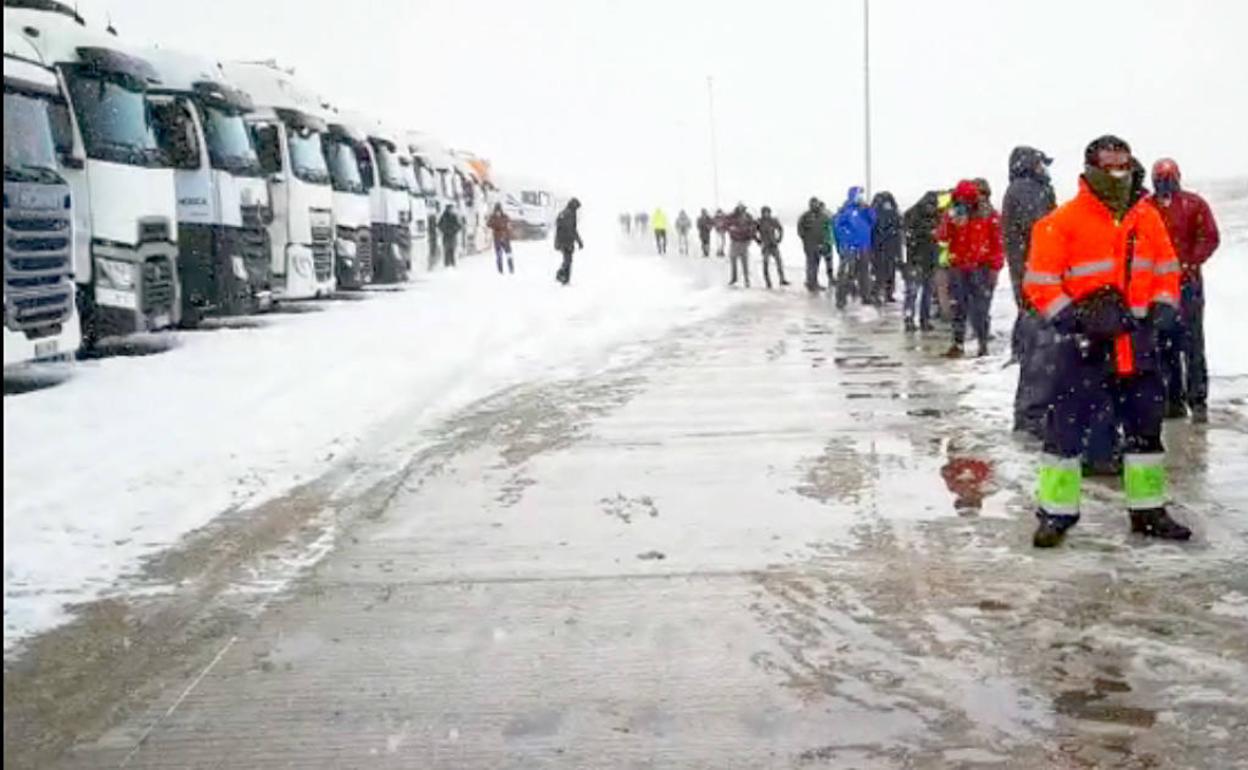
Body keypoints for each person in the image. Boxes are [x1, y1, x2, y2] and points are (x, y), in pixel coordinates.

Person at [1023, 134, 1190, 548]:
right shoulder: (1062, 222)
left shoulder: (1147, 217)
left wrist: (1165, 304)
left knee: (1145, 431)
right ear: (1091, 166)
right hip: (1085, 346)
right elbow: (1039, 282)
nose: (1118, 169)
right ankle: (1056, 514)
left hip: (1138, 343)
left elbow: (1167, 269)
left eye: (1123, 161)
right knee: (1065, 431)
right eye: (1109, 161)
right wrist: (1072, 318)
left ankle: (1148, 510)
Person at [1151, 158, 1221, 424]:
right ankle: (1173, 400)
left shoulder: (1194, 204)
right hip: (1158, 288)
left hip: (1188, 284)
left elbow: (1210, 237)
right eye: (1160, 175)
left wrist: (1191, 262)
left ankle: (1198, 400)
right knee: (1165, 343)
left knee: (1192, 343)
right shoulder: (1148, 208)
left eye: (1169, 175)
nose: (1165, 180)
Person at [937, 180, 1003, 358]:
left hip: (980, 267)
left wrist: (995, 267)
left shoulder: (989, 214)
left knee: (979, 309)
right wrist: (949, 220)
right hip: (960, 267)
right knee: (959, 307)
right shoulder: (955, 213)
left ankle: (981, 344)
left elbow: (997, 242)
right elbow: (942, 236)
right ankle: (959, 343)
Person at [902, 192, 941, 332]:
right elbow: (908, 235)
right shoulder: (913, 215)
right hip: (917, 259)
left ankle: (923, 319)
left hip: (928, 259)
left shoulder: (936, 215)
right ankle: (910, 319)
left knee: (926, 292)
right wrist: (926, 233)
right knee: (913, 292)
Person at [832, 186, 876, 309]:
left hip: (864, 246)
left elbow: (873, 221)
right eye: (859, 194)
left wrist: (868, 209)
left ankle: (866, 296)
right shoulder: (846, 210)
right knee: (845, 273)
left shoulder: (864, 210)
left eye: (862, 195)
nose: (861, 197)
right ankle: (841, 299)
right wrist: (847, 241)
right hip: (850, 247)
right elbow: (838, 227)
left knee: (864, 272)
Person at [870, 191, 903, 303]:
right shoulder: (891, 211)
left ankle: (884, 293)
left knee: (886, 271)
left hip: (885, 246)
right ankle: (881, 293)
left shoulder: (878, 211)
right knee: (883, 271)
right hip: (883, 246)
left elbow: (898, 229)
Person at [797, 197, 831, 292]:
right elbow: (800, 229)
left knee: (816, 264)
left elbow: (828, 229)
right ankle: (810, 283)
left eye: (815, 203)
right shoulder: (805, 216)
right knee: (810, 264)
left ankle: (814, 282)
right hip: (809, 245)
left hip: (820, 244)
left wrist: (826, 242)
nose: (814, 205)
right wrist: (805, 238)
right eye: (812, 203)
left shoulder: (824, 216)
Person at [933, 190, 955, 321]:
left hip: (942, 258)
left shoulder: (940, 216)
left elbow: (940, 236)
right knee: (948, 289)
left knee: (942, 289)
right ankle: (947, 313)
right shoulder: (951, 215)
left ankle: (945, 313)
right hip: (950, 258)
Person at [756, 205, 789, 289]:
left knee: (779, 262)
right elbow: (753, 231)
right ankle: (768, 282)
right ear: (762, 213)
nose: (766, 214)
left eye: (767, 212)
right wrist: (758, 240)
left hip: (773, 244)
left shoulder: (773, 220)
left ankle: (782, 279)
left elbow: (780, 229)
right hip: (765, 246)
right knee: (765, 263)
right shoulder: (759, 222)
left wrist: (779, 238)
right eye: (764, 212)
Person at [554, 198, 584, 285]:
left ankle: (563, 277)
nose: (577, 210)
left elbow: (559, 227)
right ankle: (563, 277)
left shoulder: (564, 212)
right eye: (577, 207)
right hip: (566, 241)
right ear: (574, 206)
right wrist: (579, 242)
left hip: (561, 240)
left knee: (567, 260)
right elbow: (572, 230)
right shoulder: (569, 214)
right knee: (568, 260)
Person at [726, 203, 756, 288]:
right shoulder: (732, 216)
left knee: (745, 263)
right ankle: (734, 278)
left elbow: (753, 227)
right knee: (733, 261)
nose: (741, 211)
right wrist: (731, 227)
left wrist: (750, 238)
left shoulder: (748, 217)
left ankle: (746, 280)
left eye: (742, 209)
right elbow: (726, 223)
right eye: (740, 209)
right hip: (734, 242)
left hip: (744, 242)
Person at [487, 203, 514, 274]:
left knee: (509, 254)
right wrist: (494, 223)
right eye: (496, 211)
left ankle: (511, 268)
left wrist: (508, 232)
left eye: (499, 211)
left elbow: (509, 225)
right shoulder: (492, 217)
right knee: (499, 255)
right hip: (497, 238)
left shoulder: (505, 216)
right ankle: (500, 270)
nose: (498, 213)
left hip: (505, 238)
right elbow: (488, 224)